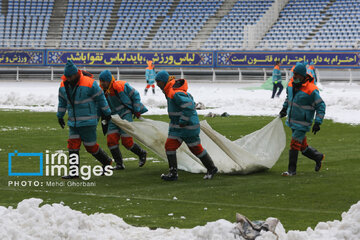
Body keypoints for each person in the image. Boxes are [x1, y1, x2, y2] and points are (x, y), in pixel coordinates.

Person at [155, 70, 218, 181]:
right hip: (178, 128)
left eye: (158, 81)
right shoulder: (169, 90)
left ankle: (212, 168)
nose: (157, 84)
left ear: (164, 81)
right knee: (170, 147)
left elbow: (189, 106)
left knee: (196, 149)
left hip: (187, 127)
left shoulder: (174, 92)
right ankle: (173, 174)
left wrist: (183, 121)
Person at [57, 60, 113, 179]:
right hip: (73, 122)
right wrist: (60, 115)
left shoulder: (90, 83)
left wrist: (107, 113)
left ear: (76, 74)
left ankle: (107, 161)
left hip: (88, 122)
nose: (69, 79)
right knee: (72, 146)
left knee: (91, 147)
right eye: (67, 77)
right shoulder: (63, 85)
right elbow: (62, 102)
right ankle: (74, 172)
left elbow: (101, 98)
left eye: (70, 76)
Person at [279, 62, 326, 176]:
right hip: (292, 120)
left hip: (303, 123)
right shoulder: (290, 84)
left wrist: (317, 122)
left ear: (302, 75)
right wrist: (284, 109)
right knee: (302, 147)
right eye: (293, 73)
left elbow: (321, 106)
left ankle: (291, 171)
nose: (293, 76)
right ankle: (318, 157)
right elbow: (288, 98)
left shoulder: (311, 90)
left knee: (294, 144)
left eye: (296, 74)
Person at [99, 70, 148, 170]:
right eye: (101, 81)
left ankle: (142, 153)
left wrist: (137, 109)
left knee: (127, 141)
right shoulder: (102, 91)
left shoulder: (121, 86)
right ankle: (119, 164)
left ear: (109, 80)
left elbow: (135, 95)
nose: (102, 83)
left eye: (104, 81)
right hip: (113, 117)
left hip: (125, 114)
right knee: (111, 140)